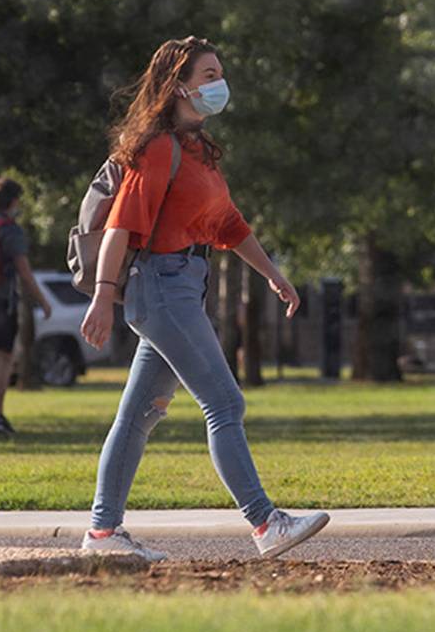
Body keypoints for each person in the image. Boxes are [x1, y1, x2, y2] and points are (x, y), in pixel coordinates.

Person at [79, 36, 329, 562]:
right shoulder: (159, 147)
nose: (219, 84)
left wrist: (273, 275)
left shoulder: (198, 149)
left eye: (219, 73)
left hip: (183, 286)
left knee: (138, 416)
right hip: (160, 288)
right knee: (225, 403)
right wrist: (103, 296)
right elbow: (122, 227)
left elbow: (230, 226)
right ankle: (265, 523)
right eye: (209, 75)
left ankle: (103, 534)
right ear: (180, 85)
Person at [0, 176, 52, 438]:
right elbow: (24, 272)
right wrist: (43, 301)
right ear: (14, 201)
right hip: (3, 302)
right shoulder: (10, 230)